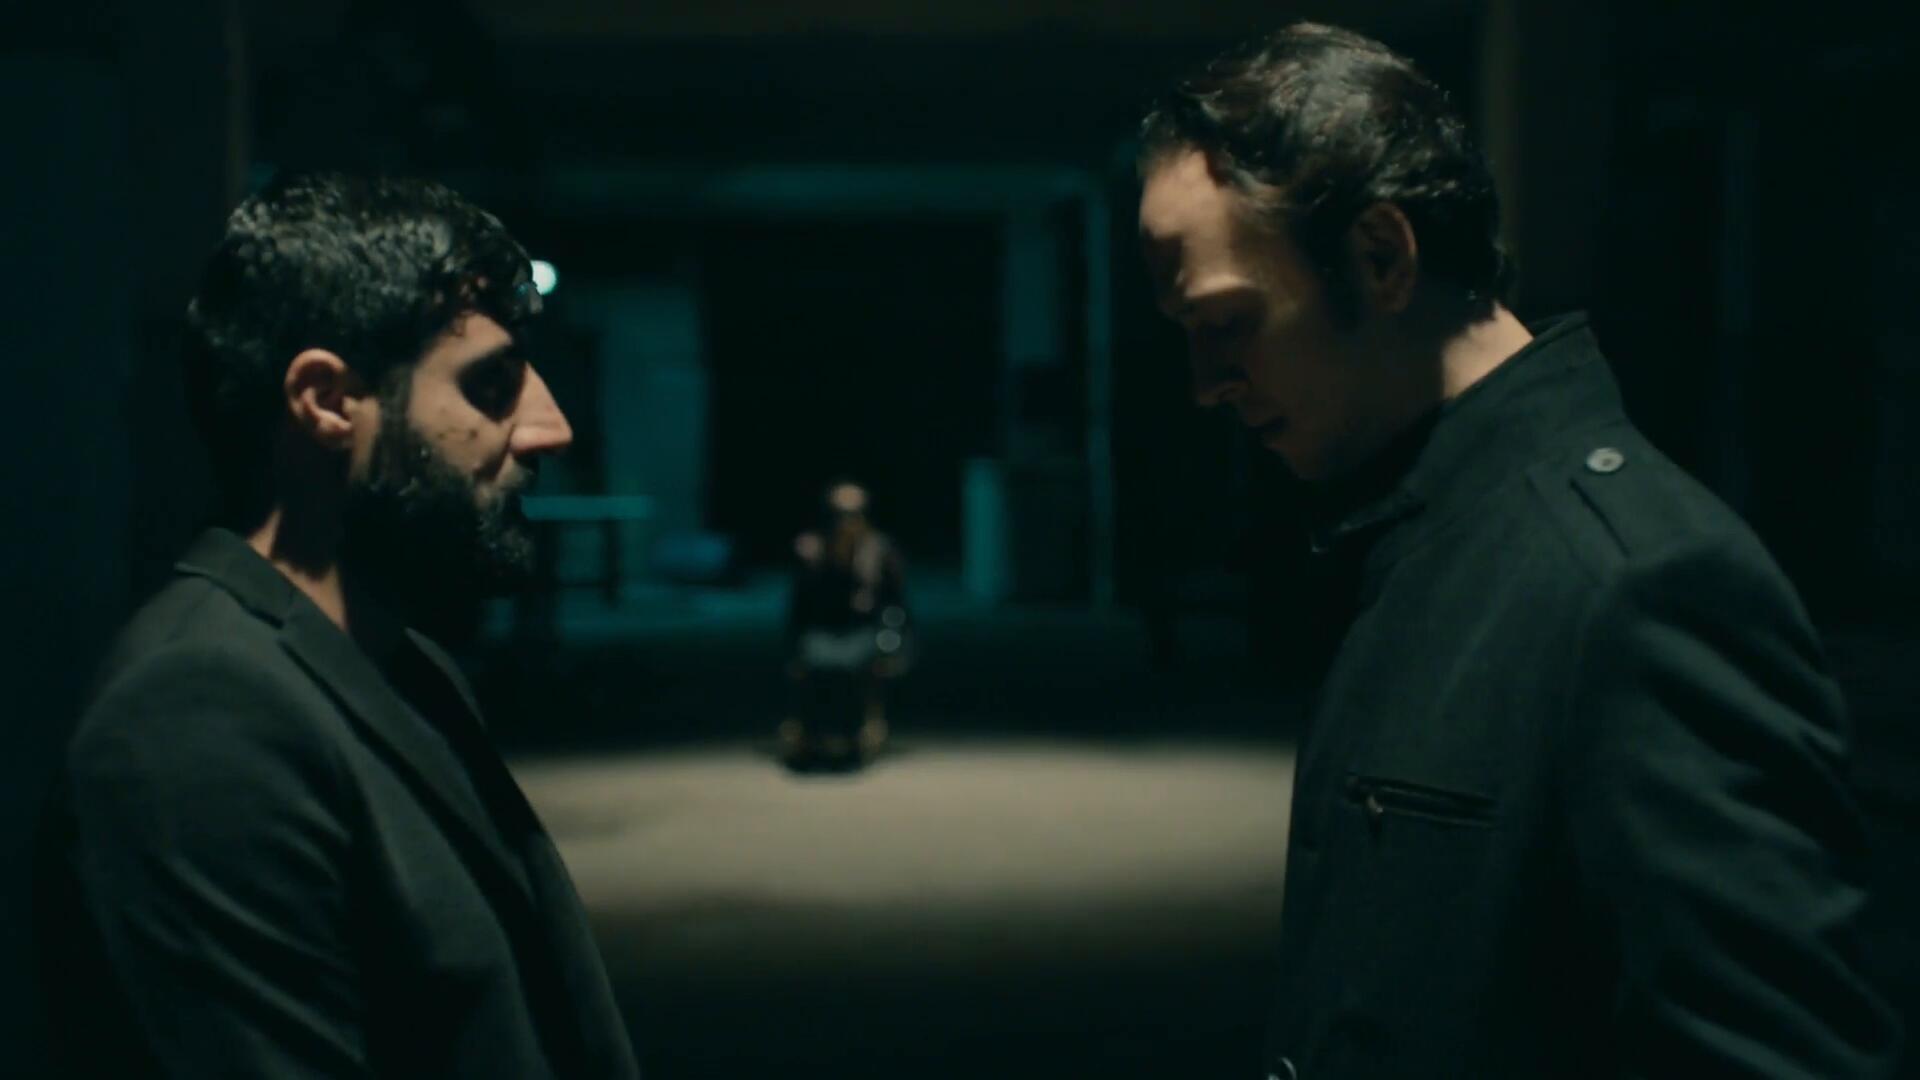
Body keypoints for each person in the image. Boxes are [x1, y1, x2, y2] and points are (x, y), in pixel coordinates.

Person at [1136, 23, 1901, 1079]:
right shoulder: (1424, 530)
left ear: (1381, 257)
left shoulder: (1636, 583)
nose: (1205, 383)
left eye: (1226, 321)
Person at [34, 173, 640, 1077]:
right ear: (325, 401)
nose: (548, 428)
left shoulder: (395, 657)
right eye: (491, 383)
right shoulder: (196, 714)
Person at [781, 479, 909, 769]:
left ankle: (860, 726)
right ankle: (810, 730)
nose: (845, 522)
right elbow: (799, 607)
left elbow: (895, 603)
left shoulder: (879, 550)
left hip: (863, 629)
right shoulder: (811, 549)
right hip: (823, 629)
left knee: (859, 662)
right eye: (838, 514)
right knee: (814, 661)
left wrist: (893, 639)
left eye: (853, 514)